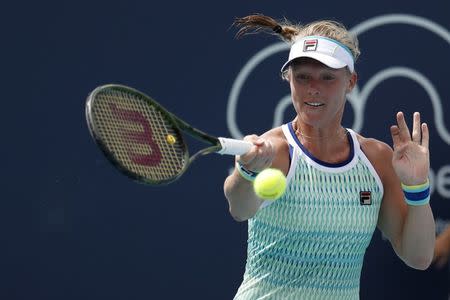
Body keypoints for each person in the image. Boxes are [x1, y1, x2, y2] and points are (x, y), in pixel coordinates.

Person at [223, 14, 435, 299]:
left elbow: (418, 257)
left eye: (327, 77)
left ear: (351, 81)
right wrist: (246, 171)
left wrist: (417, 186)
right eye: (303, 77)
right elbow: (239, 207)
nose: (314, 88)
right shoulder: (273, 150)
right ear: (289, 80)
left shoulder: (376, 160)